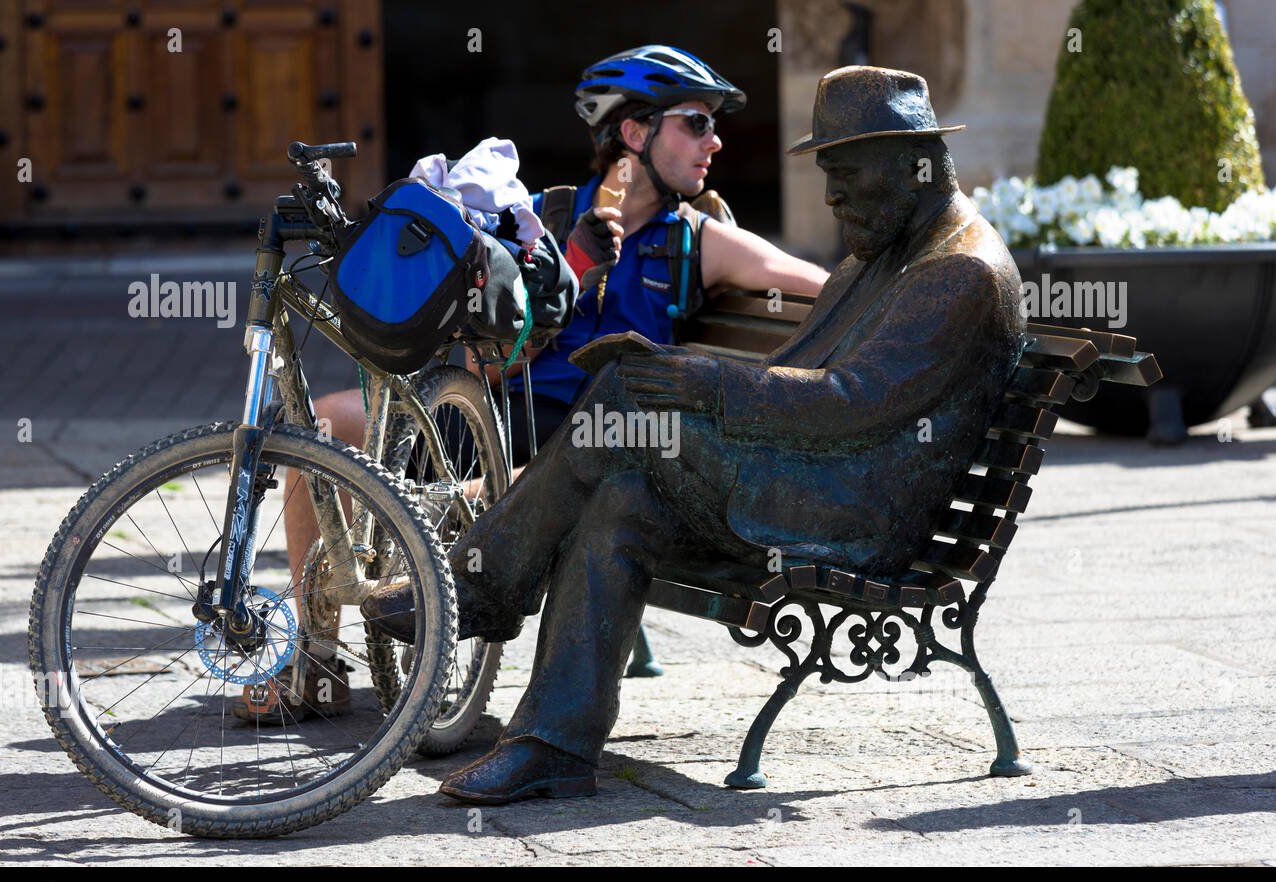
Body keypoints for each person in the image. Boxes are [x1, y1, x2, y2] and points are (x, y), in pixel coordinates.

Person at [360, 65, 1027, 804]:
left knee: (622, 399)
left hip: (854, 515)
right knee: (623, 502)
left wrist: (699, 383)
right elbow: (800, 377)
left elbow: (850, 403)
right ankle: (552, 744)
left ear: (914, 163)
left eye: (845, 174)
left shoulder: (958, 270)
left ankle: (478, 587)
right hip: (812, 480)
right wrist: (686, 379)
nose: (832, 197)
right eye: (828, 175)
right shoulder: (883, 258)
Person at [261, 45, 828, 722]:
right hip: (490, 412)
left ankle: (428, 662)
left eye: (710, 124)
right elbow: (481, 363)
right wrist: (567, 275)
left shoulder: (696, 245)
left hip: (583, 446)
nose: (716, 139)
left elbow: (823, 289)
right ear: (634, 133)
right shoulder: (536, 219)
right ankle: (316, 658)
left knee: (438, 500)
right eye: (696, 122)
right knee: (322, 428)